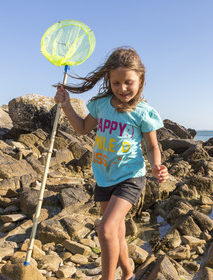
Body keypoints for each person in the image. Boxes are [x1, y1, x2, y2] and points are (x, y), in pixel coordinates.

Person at [54, 47, 169, 280]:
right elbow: (83, 128)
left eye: (128, 82)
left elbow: (152, 146)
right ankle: (127, 271)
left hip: (130, 177)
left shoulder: (143, 112)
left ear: (140, 80)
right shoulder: (101, 104)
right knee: (115, 229)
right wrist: (66, 105)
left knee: (105, 229)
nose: (122, 88)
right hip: (104, 176)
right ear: (108, 80)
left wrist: (157, 165)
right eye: (116, 83)